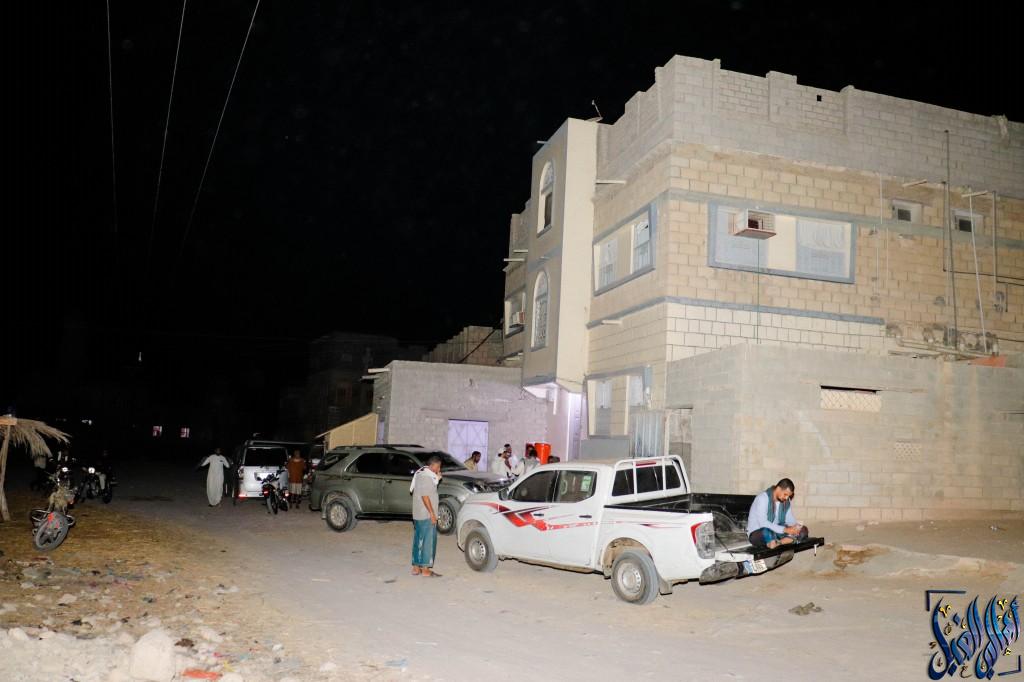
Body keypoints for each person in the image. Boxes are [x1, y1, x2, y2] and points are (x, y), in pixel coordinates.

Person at [746, 478, 809, 549]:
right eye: (785, 494)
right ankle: (782, 541)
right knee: (767, 532)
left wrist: (795, 528)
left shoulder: (785, 501)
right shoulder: (762, 498)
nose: (786, 498)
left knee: (803, 530)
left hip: (776, 531)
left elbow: (790, 520)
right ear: (778, 489)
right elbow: (763, 523)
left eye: (788, 496)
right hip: (758, 532)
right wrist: (785, 530)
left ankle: (777, 543)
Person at [410, 455, 443, 577]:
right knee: (428, 541)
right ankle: (425, 569)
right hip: (425, 514)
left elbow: (427, 491)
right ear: (433, 465)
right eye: (438, 466)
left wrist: (437, 478)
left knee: (419, 539)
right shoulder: (426, 477)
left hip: (419, 513)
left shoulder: (422, 474)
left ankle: (416, 567)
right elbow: (425, 496)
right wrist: (432, 514)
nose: (439, 469)